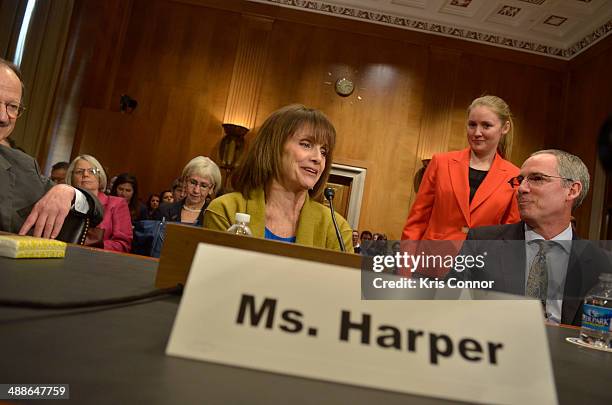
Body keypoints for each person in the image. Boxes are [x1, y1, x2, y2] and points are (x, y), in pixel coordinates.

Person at [449, 150, 611, 326]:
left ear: (572, 190)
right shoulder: (481, 243)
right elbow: (447, 308)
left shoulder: (602, 263)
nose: (521, 189)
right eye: (520, 180)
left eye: (537, 178)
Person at [203, 104, 353, 252]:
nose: (318, 158)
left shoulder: (337, 229)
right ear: (273, 147)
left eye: (324, 152)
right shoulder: (225, 210)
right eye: (306, 144)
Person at [0, 58, 102, 238]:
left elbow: (95, 209)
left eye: (12, 107)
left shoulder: (23, 166)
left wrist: (68, 192)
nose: (3, 116)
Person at [401, 95, 520, 241]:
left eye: (486, 125)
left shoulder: (514, 176)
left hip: (481, 261)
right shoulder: (441, 163)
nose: (477, 132)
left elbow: (509, 233)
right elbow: (417, 221)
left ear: (505, 128)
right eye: (472, 125)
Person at [66, 155, 133, 252]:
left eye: (91, 171)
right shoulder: (66, 203)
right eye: (79, 171)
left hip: (100, 261)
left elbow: (123, 244)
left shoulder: (117, 204)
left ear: (100, 177)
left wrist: (87, 246)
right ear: (71, 178)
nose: (85, 174)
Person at [155, 156, 221, 225]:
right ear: (185, 181)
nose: (196, 190)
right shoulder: (164, 210)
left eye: (203, 186)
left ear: (211, 189)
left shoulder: (215, 217)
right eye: (193, 182)